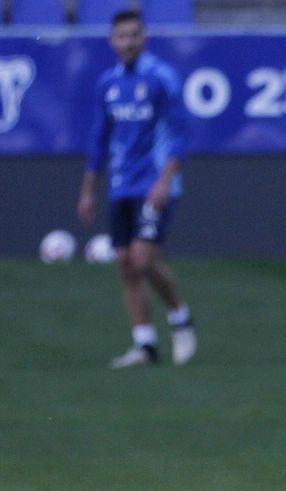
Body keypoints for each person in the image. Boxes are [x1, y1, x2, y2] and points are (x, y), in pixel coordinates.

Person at [77, 9, 196, 370]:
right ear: (112, 41)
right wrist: (87, 190)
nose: (128, 42)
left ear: (144, 38)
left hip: (155, 184)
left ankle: (180, 317)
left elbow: (181, 134)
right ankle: (145, 345)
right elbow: (100, 138)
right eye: (121, 36)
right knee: (126, 265)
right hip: (121, 185)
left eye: (134, 35)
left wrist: (164, 181)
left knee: (144, 259)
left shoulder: (161, 78)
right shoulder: (107, 84)